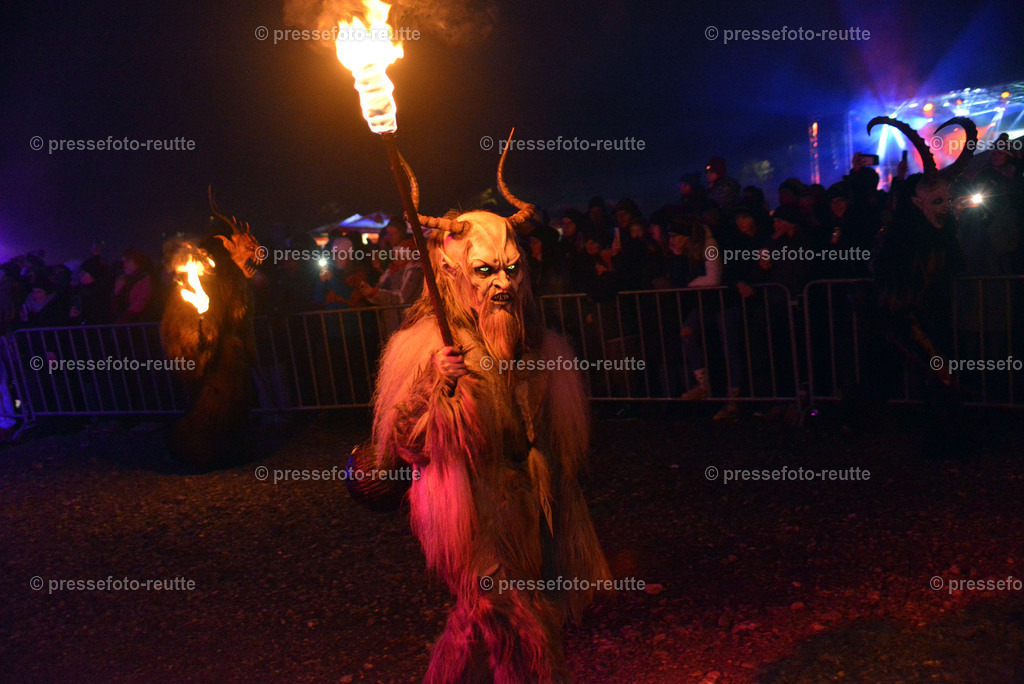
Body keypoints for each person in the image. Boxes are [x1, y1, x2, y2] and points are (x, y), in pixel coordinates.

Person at [364, 154, 610, 682]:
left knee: (483, 620)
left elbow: (557, 449)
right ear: (454, 274)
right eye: (485, 271)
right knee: (516, 615)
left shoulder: (538, 349)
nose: (502, 284)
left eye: (511, 269)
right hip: (468, 510)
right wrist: (438, 382)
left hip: (526, 508)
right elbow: (403, 446)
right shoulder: (427, 348)